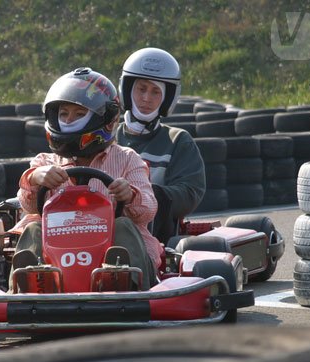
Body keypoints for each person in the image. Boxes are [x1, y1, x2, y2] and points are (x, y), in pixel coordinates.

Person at [12, 67, 161, 290]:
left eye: (79, 114)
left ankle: (127, 282)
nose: (69, 120)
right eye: (63, 114)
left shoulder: (128, 159)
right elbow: (27, 204)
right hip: (56, 254)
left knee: (124, 225)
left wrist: (129, 195)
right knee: (33, 227)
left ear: (105, 119)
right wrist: (35, 179)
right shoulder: (44, 162)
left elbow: (148, 209)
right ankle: (31, 283)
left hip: (109, 249)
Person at [116, 47, 205, 243]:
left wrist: (142, 195)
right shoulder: (107, 137)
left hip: (155, 237)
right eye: (141, 89)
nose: (147, 98)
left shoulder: (177, 141)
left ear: (167, 98)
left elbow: (191, 191)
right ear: (128, 89)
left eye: (156, 92)